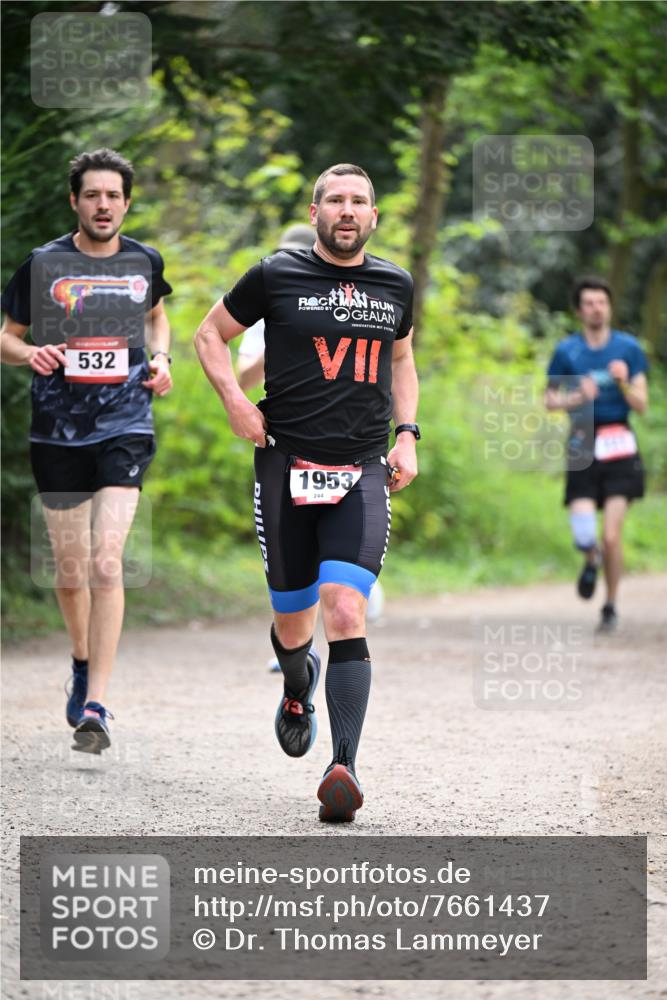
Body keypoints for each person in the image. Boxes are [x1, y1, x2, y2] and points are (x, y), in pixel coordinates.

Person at [195, 163, 418, 821]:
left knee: (344, 607)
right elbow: (209, 335)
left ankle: (342, 768)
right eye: (334, 201)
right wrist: (235, 400)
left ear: (373, 217)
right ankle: (298, 685)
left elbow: (402, 358)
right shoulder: (275, 273)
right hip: (282, 461)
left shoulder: (394, 284)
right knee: (293, 622)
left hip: (360, 467)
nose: (346, 211)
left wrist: (406, 434)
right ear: (316, 212)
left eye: (358, 202)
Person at [1, 147, 173, 752]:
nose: (104, 205)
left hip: (126, 424)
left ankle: (96, 704)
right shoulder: (44, 264)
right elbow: (6, 338)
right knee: (70, 571)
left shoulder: (143, 259)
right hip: (57, 431)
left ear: (127, 202)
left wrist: (162, 358)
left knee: (106, 562)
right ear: (75, 200)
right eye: (93, 195)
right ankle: (80, 659)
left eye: (114, 196)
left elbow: (157, 317)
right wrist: (32, 354)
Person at [236, 221, 386, 672]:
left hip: (353, 447)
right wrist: (284, 338)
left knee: (342, 582)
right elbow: (244, 379)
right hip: (289, 448)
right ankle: (298, 650)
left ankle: (351, 596)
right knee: (295, 562)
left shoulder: (364, 298)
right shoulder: (269, 307)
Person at [545, 276, 649, 632]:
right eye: (588, 303)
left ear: (610, 307)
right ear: (579, 310)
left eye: (601, 302)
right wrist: (578, 395)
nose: (596, 308)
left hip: (619, 440)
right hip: (582, 440)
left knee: (611, 535)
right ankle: (592, 560)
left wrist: (622, 382)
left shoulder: (629, 349)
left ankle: (610, 605)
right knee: (586, 535)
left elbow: (643, 404)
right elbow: (550, 400)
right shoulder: (567, 351)